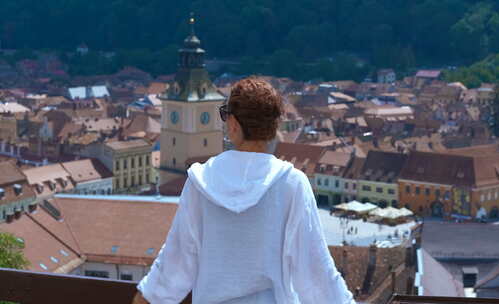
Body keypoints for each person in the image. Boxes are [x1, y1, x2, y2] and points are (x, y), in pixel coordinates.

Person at [132, 78, 354, 304]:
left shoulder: (200, 182)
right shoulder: (291, 183)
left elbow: (175, 266)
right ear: (274, 126)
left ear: (233, 124)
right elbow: (315, 272)